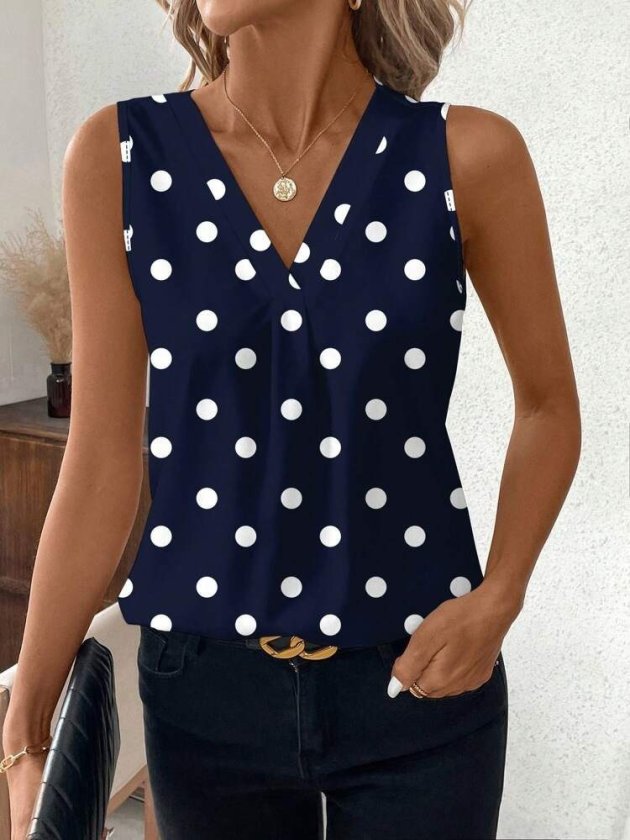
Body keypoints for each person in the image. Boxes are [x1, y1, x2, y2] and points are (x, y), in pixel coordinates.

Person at [3, 1, 581, 837]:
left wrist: (502, 594)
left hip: (418, 682)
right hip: (203, 696)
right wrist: (24, 728)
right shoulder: (121, 155)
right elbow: (100, 460)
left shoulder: (466, 155)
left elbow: (549, 404)